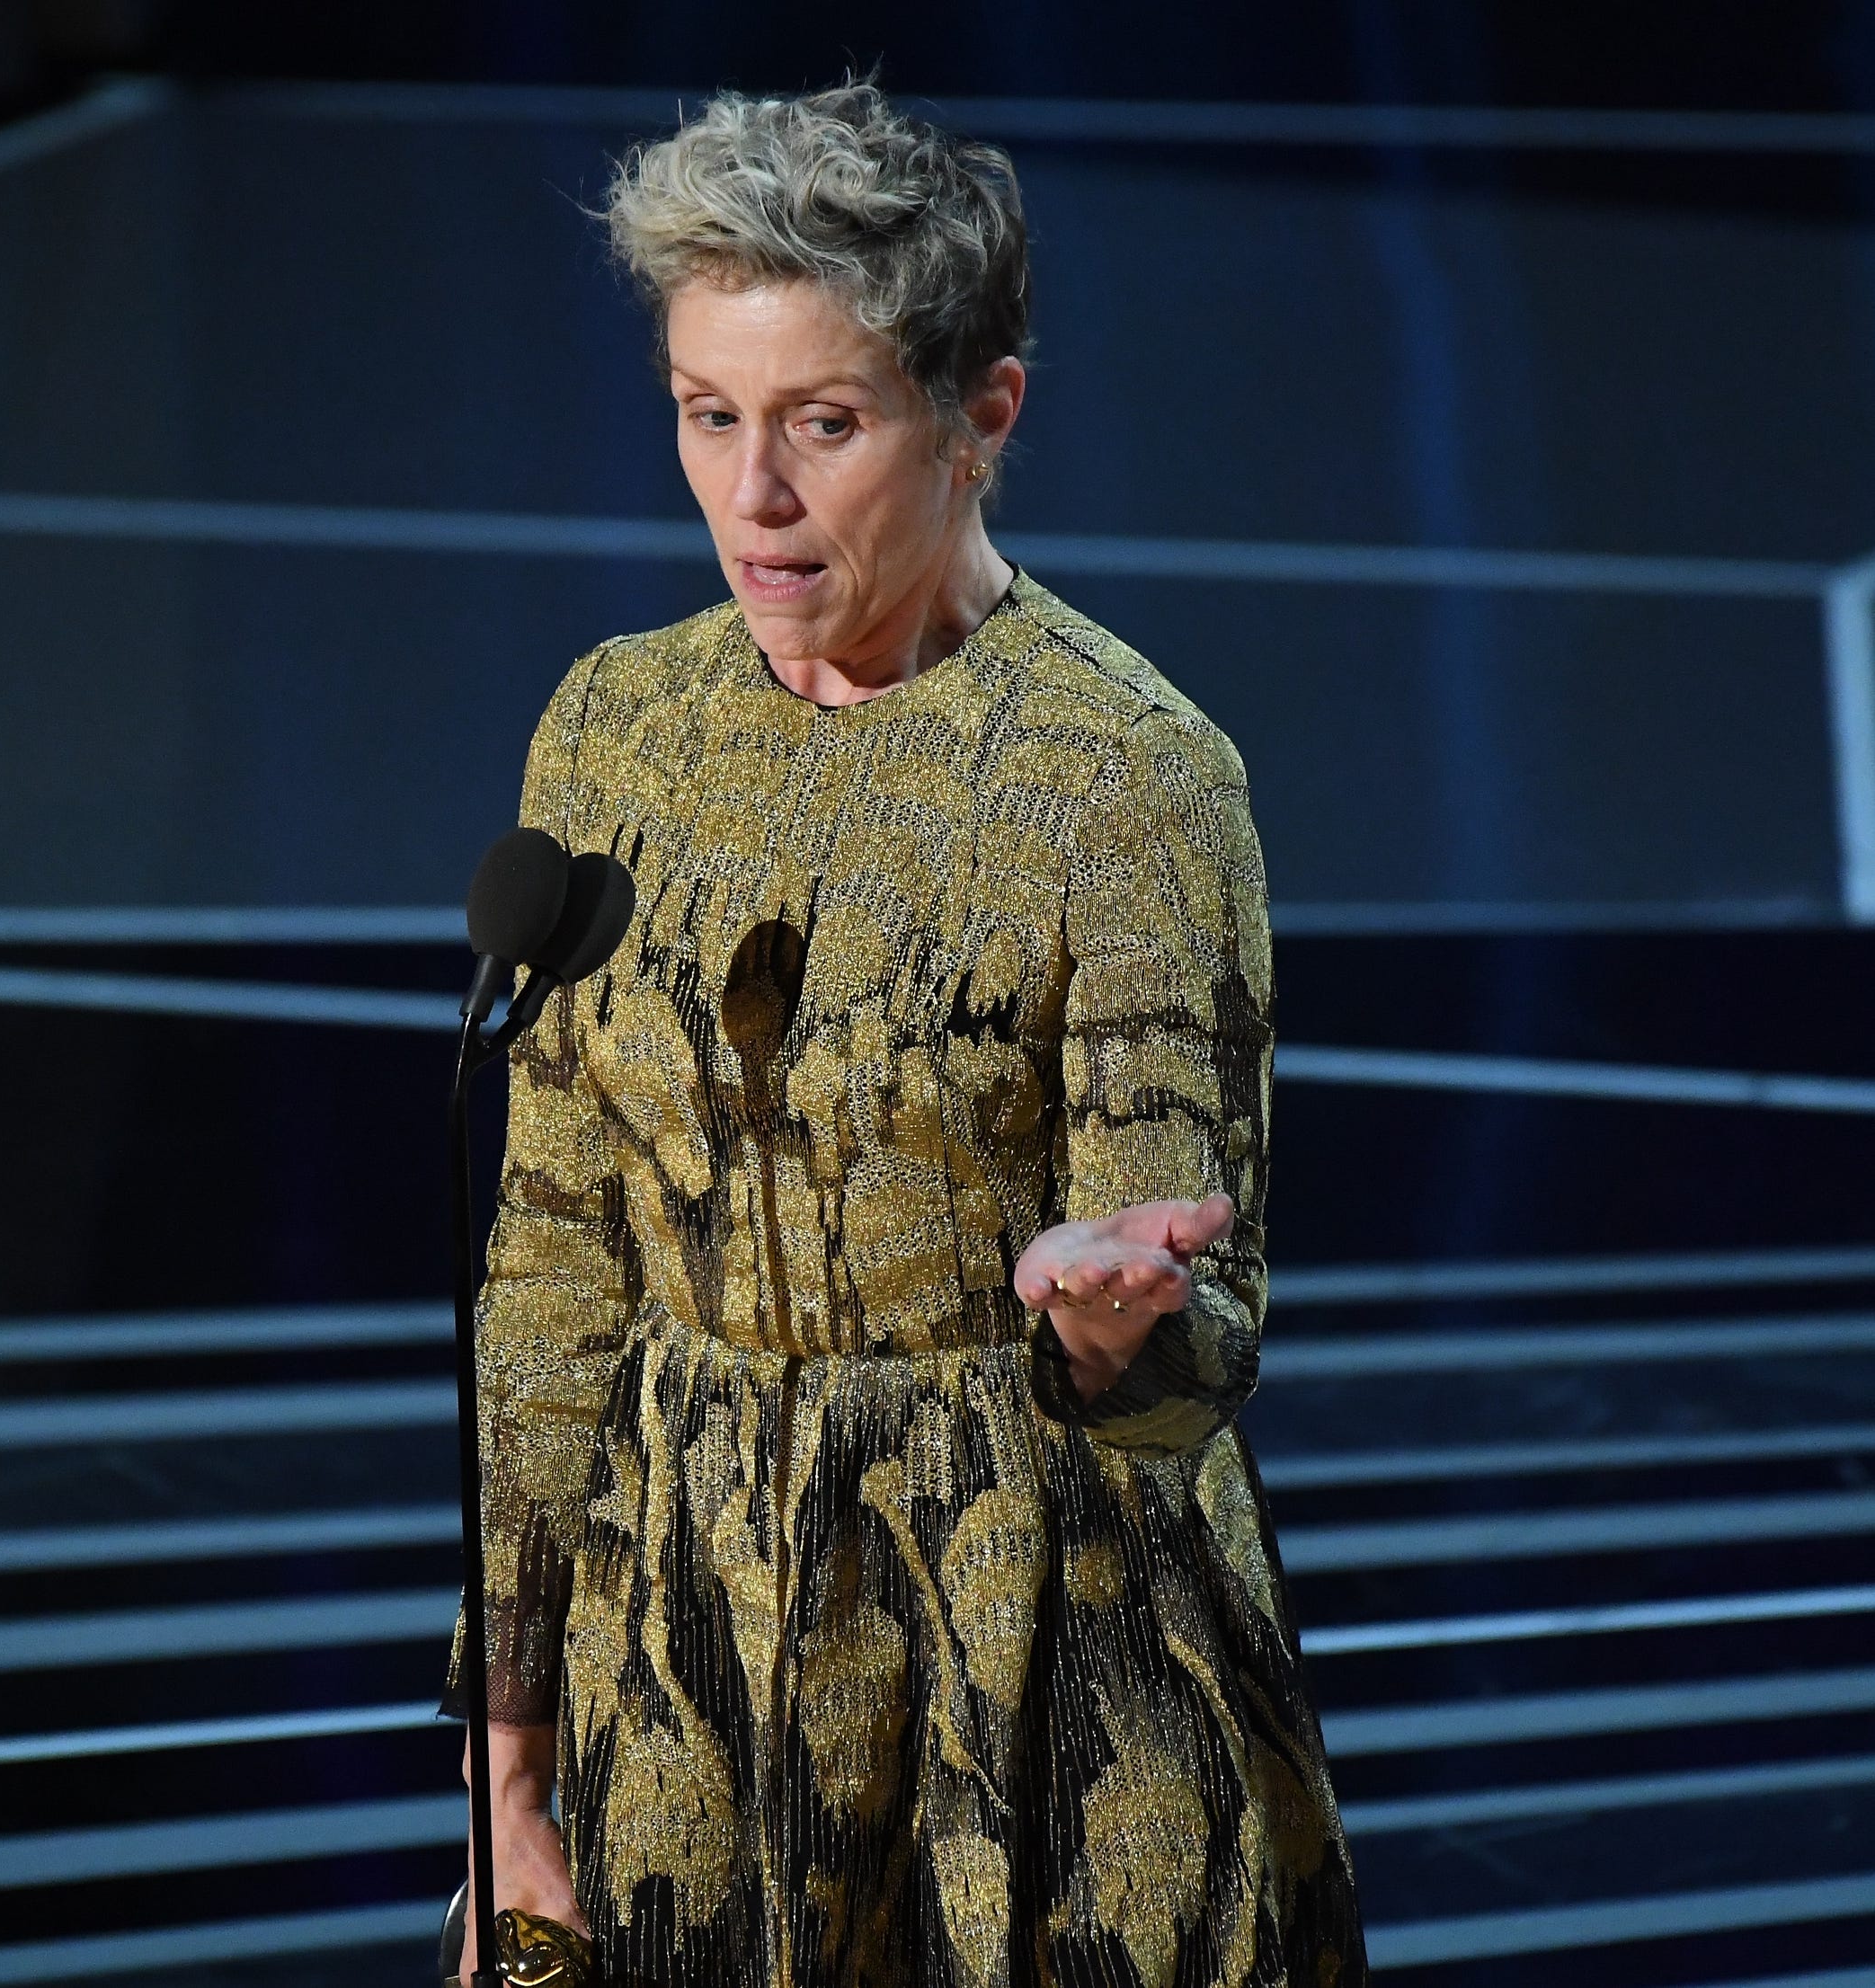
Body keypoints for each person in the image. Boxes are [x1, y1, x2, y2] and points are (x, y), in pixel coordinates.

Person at [451, 79, 1367, 1988]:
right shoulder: (612, 729)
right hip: (683, 1639)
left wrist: (1117, 1321)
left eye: (822, 423)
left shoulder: (1126, 777)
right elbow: (550, 1271)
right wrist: (503, 1762)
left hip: (1027, 1636)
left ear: (982, 416)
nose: (750, 495)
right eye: (708, 415)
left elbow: (1204, 1330)